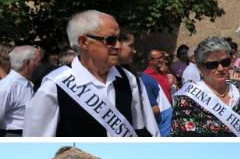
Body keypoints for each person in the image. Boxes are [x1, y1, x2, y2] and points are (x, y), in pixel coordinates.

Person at [23, 10, 159, 137]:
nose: (118, 46)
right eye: (110, 40)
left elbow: (140, 129)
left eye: (120, 39)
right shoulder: (54, 85)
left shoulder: (130, 79)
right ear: (84, 42)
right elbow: (35, 141)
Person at [170, 36, 240, 136]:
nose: (220, 68)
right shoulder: (187, 100)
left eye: (225, 62)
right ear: (200, 67)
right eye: (212, 65)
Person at [0, 45, 41, 136]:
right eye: (38, 61)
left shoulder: (28, 84)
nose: (40, 65)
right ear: (27, 62)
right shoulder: (6, 88)